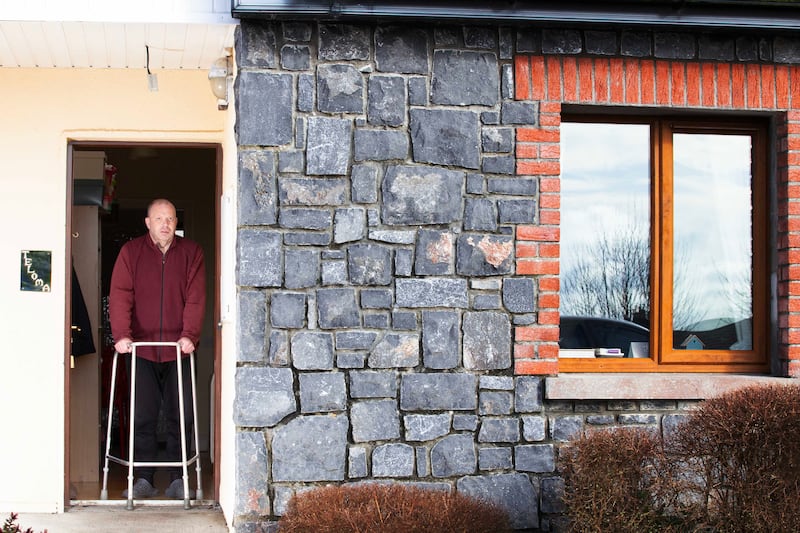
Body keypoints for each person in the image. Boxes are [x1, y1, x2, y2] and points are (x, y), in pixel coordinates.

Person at [109, 198, 206, 499]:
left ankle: (179, 479)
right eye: (159, 218)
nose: (165, 224)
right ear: (148, 222)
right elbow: (120, 294)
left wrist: (189, 335)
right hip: (141, 349)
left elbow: (195, 297)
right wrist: (122, 335)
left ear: (176, 223)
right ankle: (143, 479)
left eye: (171, 219)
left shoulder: (191, 252)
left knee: (182, 415)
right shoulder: (131, 252)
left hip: (179, 349)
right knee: (143, 416)